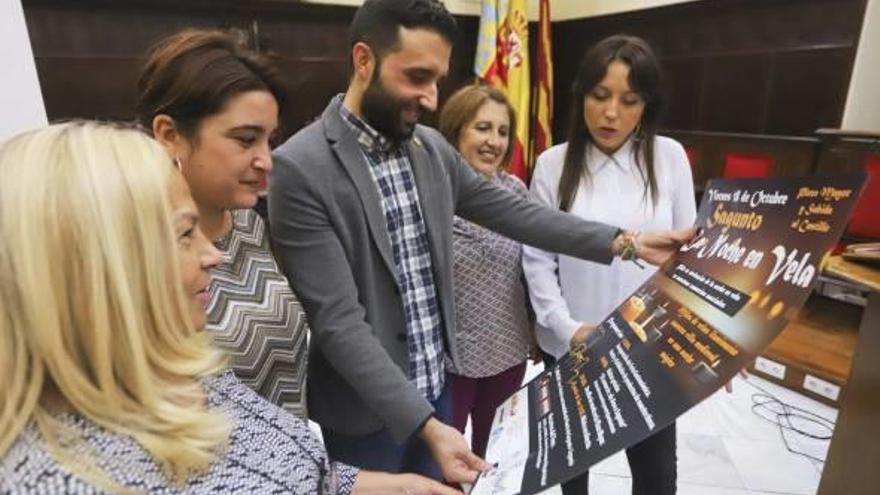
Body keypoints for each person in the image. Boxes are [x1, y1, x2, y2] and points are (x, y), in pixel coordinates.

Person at [268, 0, 695, 484]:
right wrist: (425, 424)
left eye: (438, 80)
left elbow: (519, 215)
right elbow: (339, 323)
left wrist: (628, 242)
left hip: (437, 389)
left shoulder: (428, 147)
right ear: (363, 60)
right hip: (366, 412)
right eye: (416, 76)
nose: (431, 97)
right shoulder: (300, 169)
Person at [0, 121, 461, 495]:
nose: (212, 254)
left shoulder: (180, 364)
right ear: (94, 268)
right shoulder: (57, 479)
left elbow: (292, 470)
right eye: (184, 234)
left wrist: (392, 488)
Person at [523, 34, 697, 495]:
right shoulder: (552, 164)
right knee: (572, 474)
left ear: (647, 105)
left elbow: (690, 258)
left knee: (657, 477)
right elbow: (538, 260)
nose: (611, 114)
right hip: (573, 345)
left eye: (629, 100)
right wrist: (565, 328)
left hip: (651, 351)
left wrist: (711, 338)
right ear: (581, 95)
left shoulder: (671, 157)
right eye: (599, 97)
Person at [137, 29, 309, 418]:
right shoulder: (142, 252)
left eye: (269, 140)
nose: (266, 159)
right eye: (246, 140)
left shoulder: (247, 222)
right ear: (169, 135)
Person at [437, 84, 532, 458]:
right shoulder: (432, 195)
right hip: (450, 361)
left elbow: (532, 268)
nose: (494, 141)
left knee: (494, 458)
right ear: (456, 130)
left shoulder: (516, 192)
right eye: (482, 128)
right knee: (447, 464)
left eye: (503, 131)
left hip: (508, 352)